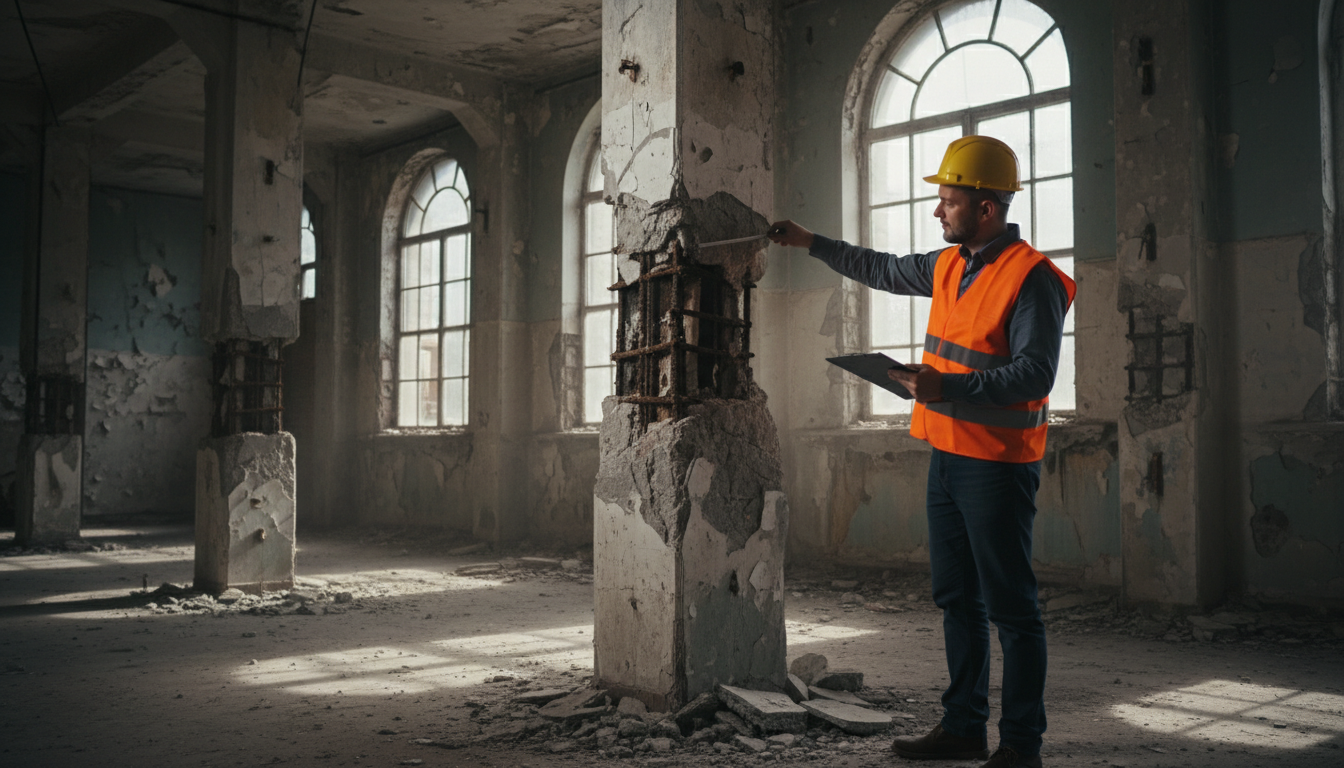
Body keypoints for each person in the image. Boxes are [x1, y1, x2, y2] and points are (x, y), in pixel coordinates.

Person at [769, 135, 1075, 768]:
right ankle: (964, 726)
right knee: (957, 599)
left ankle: (1022, 746)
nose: (937, 212)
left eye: (948, 200)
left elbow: (1035, 374)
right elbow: (880, 268)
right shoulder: (948, 264)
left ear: (986, 208)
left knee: (1013, 609)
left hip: (997, 465)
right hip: (947, 457)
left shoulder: (1033, 278)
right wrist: (811, 243)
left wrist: (946, 386)